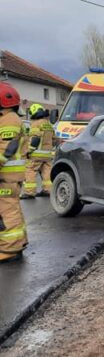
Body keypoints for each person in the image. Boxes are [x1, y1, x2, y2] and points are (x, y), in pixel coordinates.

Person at [0, 83, 27, 263]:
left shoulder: (8, 120)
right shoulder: (10, 118)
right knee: (11, 209)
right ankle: (18, 242)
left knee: (7, 211)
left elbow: (5, 148)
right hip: (9, 175)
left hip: (6, 175)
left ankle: (10, 249)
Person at [20, 103, 55, 199]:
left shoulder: (36, 124)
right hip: (47, 155)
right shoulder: (49, 124)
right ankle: (48, 190)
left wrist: (29, 151)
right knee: (46, 171)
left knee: (30, 170)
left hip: (36, 154)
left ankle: (30, 192)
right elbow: (54, 140)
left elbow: (35, 139)